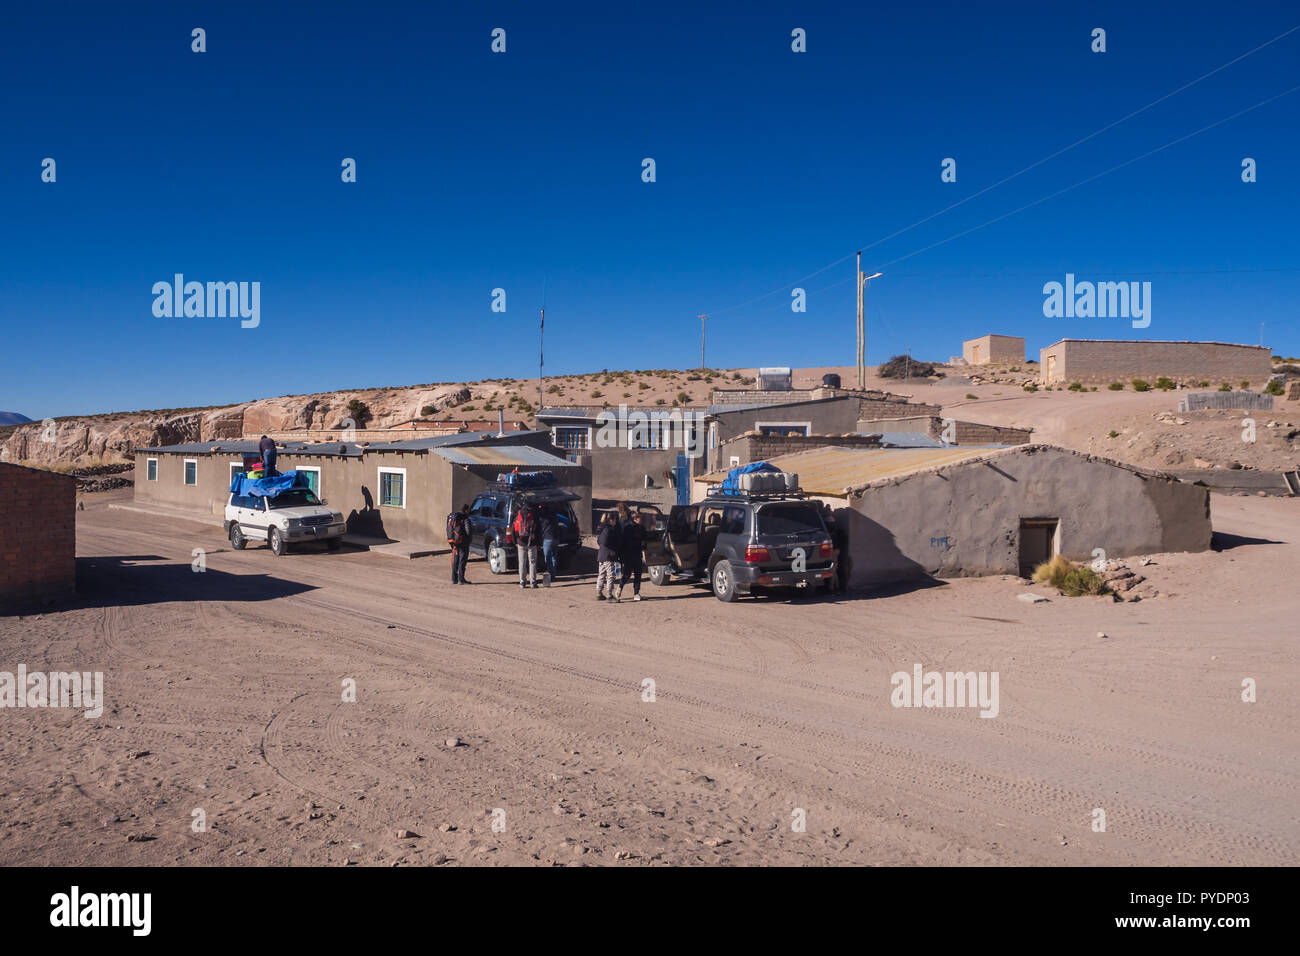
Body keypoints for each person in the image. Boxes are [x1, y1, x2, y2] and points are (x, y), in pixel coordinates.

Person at [616, 503, 645, 603]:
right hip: (628, 555)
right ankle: (620, 587)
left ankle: (636, 593)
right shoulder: (627, 528)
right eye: (640, 518)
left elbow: (644, 539)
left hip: (637, 555)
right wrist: (621, 555)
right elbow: (622, 542)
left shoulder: (642, 528)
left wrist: (643, 546)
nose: (642, 520)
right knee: (627, 574)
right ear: (635, 519)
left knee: (638, 574)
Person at [512, 502, 539, 588]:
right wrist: (539, 543)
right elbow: (538, 531)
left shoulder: (518, 515)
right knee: (532, 562)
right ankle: (533, 582)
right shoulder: (534, 515)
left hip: (521, 542)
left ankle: (522, 582)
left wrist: (515, 542)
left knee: (522, 562)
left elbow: (513, 530)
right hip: (532, 542)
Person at [595, 511, 620, 601]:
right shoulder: (608, 530)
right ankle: (609, 595)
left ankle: (599, 593)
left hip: (601, 555)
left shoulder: (602, 528)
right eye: (615, 520)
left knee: (601, 574)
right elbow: (605, 541)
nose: (616, 522)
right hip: (608, 555)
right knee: (610, 575)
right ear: (611, 520)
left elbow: (599, 541)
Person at [447, 503, 471, 585]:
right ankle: (461, 579)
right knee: (462, 561)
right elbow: (468, 531)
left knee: (455, 561)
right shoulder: (464, 518)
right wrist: (469, 539)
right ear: (466, 510)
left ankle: (454, 579)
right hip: (463, 542)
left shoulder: (453, 517)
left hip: (454, 542)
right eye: (469, 510)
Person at [538, 505, 558, 587]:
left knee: (548, 557)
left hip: (547, 539)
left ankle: (550, 574)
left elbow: (540, 529)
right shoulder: (554, 515)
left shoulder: (542, 518)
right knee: (553, 556)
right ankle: (553, 573)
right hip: (556, 538)